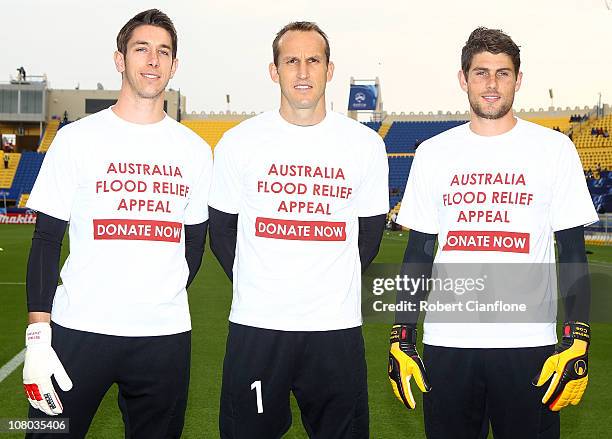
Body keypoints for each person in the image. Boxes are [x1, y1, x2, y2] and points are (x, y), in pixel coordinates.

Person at [387, 27, 597, 439]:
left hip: (529, 344)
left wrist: (578, 338)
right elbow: (418, 253)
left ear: (518, 80)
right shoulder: (434, 153)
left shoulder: (552, 150)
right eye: (481, 72)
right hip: (448, 343)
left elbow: (572, 251)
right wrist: (402, 335)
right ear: (463, 79)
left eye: (503, 73)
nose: (491, 84)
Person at [23, 9, 212, 438]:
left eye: (163, 52)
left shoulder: (195, 151)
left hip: (163, 339)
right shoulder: (77, 139)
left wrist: (154, 296)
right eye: (141, 49)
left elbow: (194, 246)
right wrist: (38, 337)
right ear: (119, 59)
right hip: (79, 331)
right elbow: (47, 239)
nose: (152, 60)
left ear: (174, 65)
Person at [208, 21, 388, 438]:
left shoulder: (363, 145)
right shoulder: (240, 141)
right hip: (257, 327)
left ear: (330, 69)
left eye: (313, 60)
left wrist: (327, 284)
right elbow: (221, 232)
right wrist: (261, 284)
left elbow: (370, 234)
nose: (303, 72)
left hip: (335, 329)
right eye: (291, 61)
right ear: (274, 71)